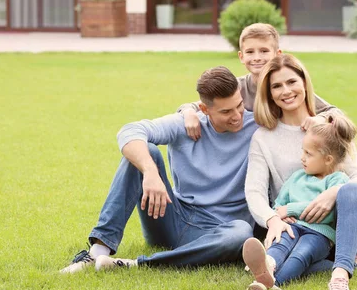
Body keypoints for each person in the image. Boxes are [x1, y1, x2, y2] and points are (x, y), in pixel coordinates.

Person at [245, 53, 357, 290]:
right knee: (295, 257)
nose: (286, 91)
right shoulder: (263, 137)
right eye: (276, 86)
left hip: (344, 226)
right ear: (268, 94)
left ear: (304, 83)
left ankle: (340, 276)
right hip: (297, 228)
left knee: (351, 189)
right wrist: (272, 220)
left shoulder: (330, 127)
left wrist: (333, 194)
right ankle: (356, 261)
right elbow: (255, 191)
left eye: (291, 82)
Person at [60, 66, 259, 273]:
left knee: (242, 232)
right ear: (204, 109)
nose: (237, 116)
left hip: (219, 230)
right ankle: (97, 251)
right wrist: (150, 172)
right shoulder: (187, 124)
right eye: (226, 111)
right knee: (145, 151)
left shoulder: (257, 127)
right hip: (172, 218)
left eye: (239, 106)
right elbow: (130, 131)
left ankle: (136, 265)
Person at [242, 113, 357, 290]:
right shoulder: (297, 177)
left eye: (308, 154)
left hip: (319, 234)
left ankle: (273, 282)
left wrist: (291, 209)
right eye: (302, 151)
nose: (302, 158)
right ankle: (268, 264)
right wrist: (279, 217)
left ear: (328, 159)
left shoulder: (337, 180)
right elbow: (280, 205)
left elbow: (328, 213)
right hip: (292, 226)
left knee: (300, 256)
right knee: (280, 245)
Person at [177, 23, 338, 141]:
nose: (257, 58)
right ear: (241, 56)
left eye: (264, 51)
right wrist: (189, 112)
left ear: (277, 54)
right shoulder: (237, 88)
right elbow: (200, 105)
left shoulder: (288, 88)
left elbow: (334, 111)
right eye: (250, 52)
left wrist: (321, 118)